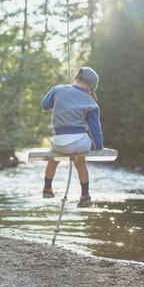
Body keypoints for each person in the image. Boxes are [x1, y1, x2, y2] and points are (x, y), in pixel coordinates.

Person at [40, 66, 104, 208]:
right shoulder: (91, 101)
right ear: (90, 88)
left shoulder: (58, 89)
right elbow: (95, 129)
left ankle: (47, 188)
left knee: (53, 159)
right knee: (80, 162)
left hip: (60, 143)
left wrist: (58, 104)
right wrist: (99, 146)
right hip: (80, 143)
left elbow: (44, 105)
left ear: (74, 79)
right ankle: (85, 195)